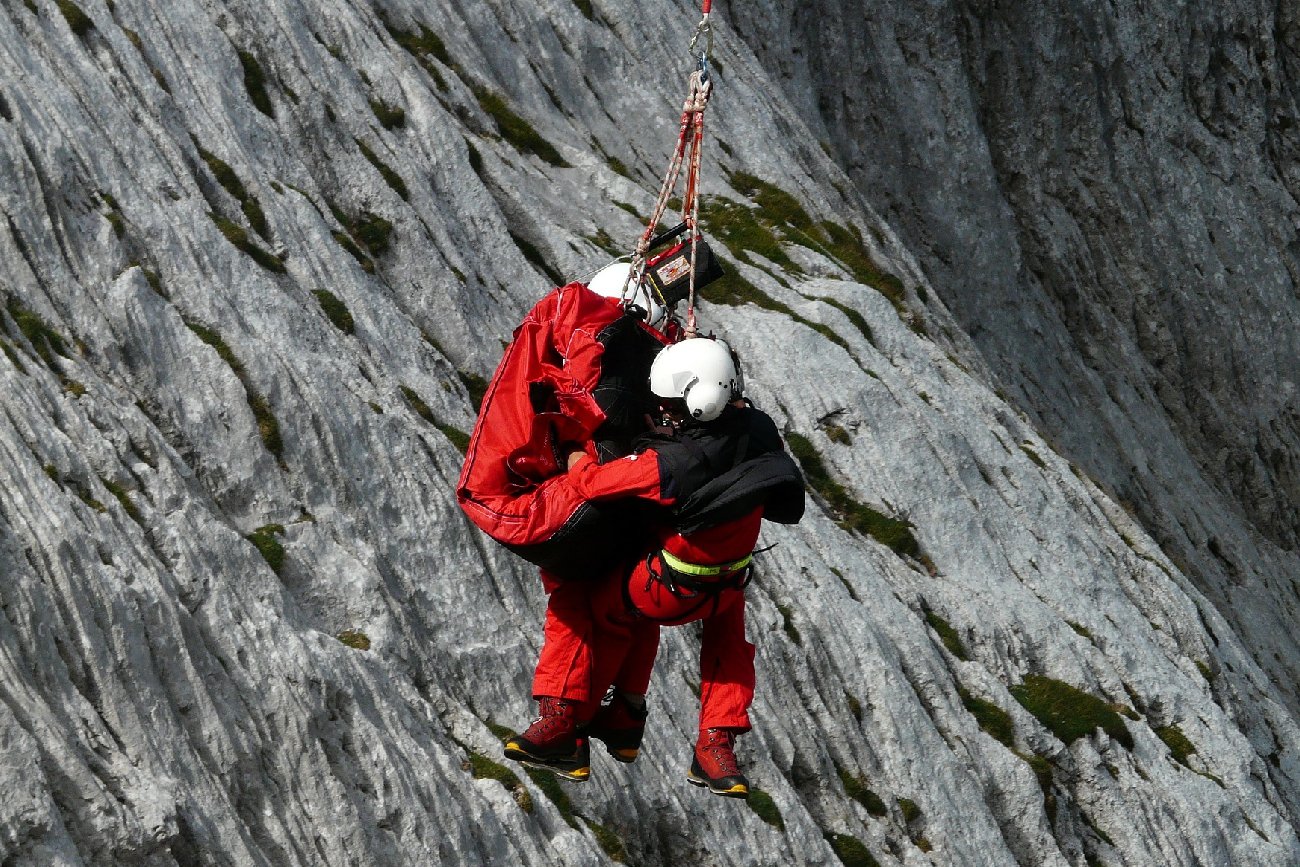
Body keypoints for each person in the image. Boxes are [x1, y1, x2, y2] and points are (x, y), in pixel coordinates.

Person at [504, 338, 805, 798]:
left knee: (583, 601)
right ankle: (713, 746)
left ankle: (566, 724)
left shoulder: (668, 466)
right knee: (727, 648)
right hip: (728, 585)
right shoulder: (758, 428)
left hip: (665, 591)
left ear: (697, 402)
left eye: (672, 407)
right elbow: (713, 441)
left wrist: (572, 447)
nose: (665, 414)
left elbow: (591, 483)